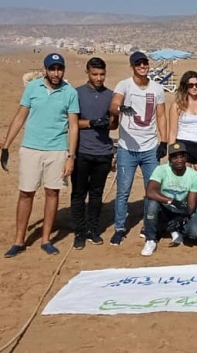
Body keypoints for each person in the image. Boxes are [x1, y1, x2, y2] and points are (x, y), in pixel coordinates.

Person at [0, 53, 79, 257]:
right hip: (31, 149)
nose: (56, 73)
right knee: (26, 192)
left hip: (57, 150)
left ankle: (45, 240)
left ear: (63, 70)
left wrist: (71, 156)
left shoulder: (70, 92)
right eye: (52, 69)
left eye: (59, 69)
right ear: (45, 69)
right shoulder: (32, 88)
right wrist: (6, 145)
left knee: (52, 193)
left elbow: (73, 125)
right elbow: (20, 117)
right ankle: (19, 240)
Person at [108, 51, 167, 246]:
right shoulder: (124, 85)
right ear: (132, 66)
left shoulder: (157, 89)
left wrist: (164, 141)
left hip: (150, 147)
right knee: (123, 190)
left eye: (145, 63)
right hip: (127, 148)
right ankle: (119, 228)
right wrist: (120, 109)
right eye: (138, 64)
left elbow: (161, 116)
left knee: (152, 190)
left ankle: (149, 226)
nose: (142, 66)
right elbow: (114, 103)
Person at [70, 57, 118, 250]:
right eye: (95, 74)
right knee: (79, 193)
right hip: (82, 151)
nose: (99, 78)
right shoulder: (76, 93)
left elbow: (114, 124)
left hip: (103, 153)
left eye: (102, 74)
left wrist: (110, 120)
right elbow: (71, 123)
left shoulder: (111, 95)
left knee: (97, 194)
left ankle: (93, 229)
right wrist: (90, 123)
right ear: (87, 73)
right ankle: (79, 232)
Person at [140, 143, 197, 256]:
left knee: (195, 233)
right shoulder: (161, 170)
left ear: (186, 158)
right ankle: (150, 239)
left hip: (181, 209)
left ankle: (175, 229)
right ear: (169, 159)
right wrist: (172, 201)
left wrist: (181, 218)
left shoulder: (194, 175)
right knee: (151, 203)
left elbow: (191, 206)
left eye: (181, 156)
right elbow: (150, 192)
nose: (179, 160)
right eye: (175, 157)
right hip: (164, 206)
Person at [168, 71, 197, 191]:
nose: (194, 87)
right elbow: (173, 131)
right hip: (184, 147)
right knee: (185, 187)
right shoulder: (177, 105)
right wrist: (171, 153)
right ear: (185, 86)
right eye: (190, 85)